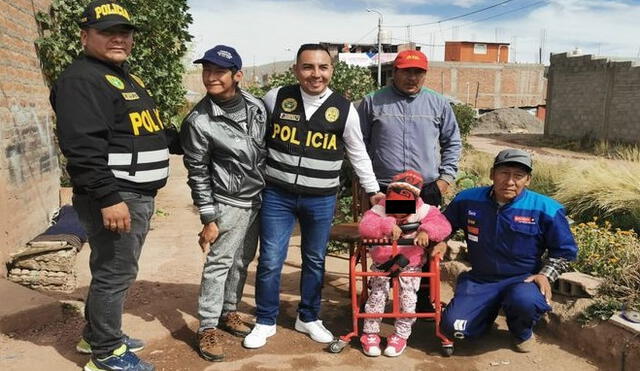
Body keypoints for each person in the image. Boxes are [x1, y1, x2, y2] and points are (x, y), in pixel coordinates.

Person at [50, 1, 178, 370]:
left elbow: (146, 130)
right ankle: (107, 354)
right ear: (85, 35)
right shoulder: (81, 80)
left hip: (133, 194)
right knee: (116, 272)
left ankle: (96, 337)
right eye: (107, 31)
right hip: (117, 195)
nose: (118, 38)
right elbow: (82, 149)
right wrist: (109, 198)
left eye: (124, 32)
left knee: (109, 267)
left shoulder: (124, 76)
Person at [243, 43, 384, 349]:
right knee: (269, 260)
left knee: (314, 260)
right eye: (307, 67)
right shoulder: (276, 97)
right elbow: (254, 138)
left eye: (322, 67)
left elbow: (358, 153)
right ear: (296, 70)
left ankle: (307, 317)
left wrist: (373, 191)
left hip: (320, 199)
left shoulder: (344, 109)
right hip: (277, 196)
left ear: (331, 70)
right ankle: (265, 319)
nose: (315, 74)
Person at [440, 149, 578, 352]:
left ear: (528, 180)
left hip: (522, 280)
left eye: (518, 176)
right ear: (491, 174)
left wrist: (544, 275)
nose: (510, 181)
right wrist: (441, 240)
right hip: (481, 279)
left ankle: (521, 331)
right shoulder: (467, 199)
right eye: (504, 173)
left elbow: (565, 251)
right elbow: (443, 224)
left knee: (525, 301)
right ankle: (482, 315)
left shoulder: (546, 208)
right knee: (455, 328)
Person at [180, 45, 267, 362]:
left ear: (237, 76)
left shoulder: (256, 107)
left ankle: (228, 311)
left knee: (243, 260)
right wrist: (208, 216)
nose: (210, 77)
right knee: (219, 265)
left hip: (257, 198)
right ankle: (206, 326)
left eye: (218, 71)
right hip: (227, 201)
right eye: (207, 71)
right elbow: (197, 172)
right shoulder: (200, 121)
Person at [358, 48, 462, 312]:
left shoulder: (438, 104)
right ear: (395, 72)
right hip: (386, 189)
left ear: (425, 74)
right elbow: (358, 145)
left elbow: (452, 142)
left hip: (425, 189)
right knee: (386, 242)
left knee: (422, 242)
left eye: (418, 72)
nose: (412, 77)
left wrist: (445, 179)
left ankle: (420, 304)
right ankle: (377, 301)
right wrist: (369, 187)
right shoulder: (373, 102)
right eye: (407, 71)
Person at [358, 170, 451, 357]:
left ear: (414, 200)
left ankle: (400, 335)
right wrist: (386, 225)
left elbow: (443, 225)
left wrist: (426, 231)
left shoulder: (424, 210)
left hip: (410, 264)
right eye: (394, 204)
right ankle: (370, 334)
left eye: (404, 205)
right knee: (376, 299)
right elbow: (365, 226)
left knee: (408, 302)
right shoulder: (380, 208)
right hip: (382, 264)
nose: (398, 209)